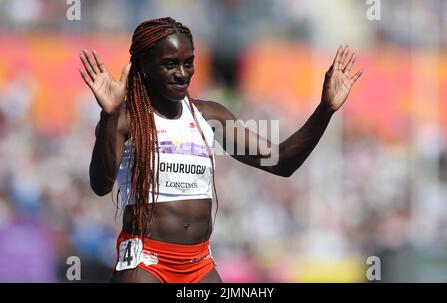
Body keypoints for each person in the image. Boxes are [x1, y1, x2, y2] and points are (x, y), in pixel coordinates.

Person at [79, 17, 362, 283]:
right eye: (170, 64)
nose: (182, 73)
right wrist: (110, 115)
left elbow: (282, 162)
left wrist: (325, 110)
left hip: (199, 264)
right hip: (146, 261)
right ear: (143, 66)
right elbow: (101, 185)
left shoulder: (210, 116)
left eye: (188, 63)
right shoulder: (127, 118)